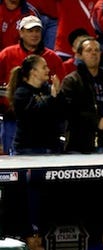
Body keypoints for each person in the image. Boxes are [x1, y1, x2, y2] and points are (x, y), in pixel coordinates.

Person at [0, 15, 65, 156]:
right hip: (13, 121)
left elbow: (60, 90)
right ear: (21, 32)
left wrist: (56, 96)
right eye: (30, 31)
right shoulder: (7, 54)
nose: (35, 34)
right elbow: (33, 110)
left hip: (47, 136)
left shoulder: (53, 57)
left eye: (37, 31)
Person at [60, 36, 103, 153]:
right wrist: (96, 121)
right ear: (79, 55)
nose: (94, 53)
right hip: (79, 145)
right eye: (89, 50)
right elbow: (69, 110)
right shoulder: (71, 81)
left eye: (97, 50)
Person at [6, 54, 64, 154]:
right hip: (28, 149)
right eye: (44, 67)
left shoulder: (48, 89)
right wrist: (52, 97)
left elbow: (61, 113)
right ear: (33, 72)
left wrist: (59, 94)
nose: (48, 70)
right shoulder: (22, 93)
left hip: (51, 147)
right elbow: (34, 114)